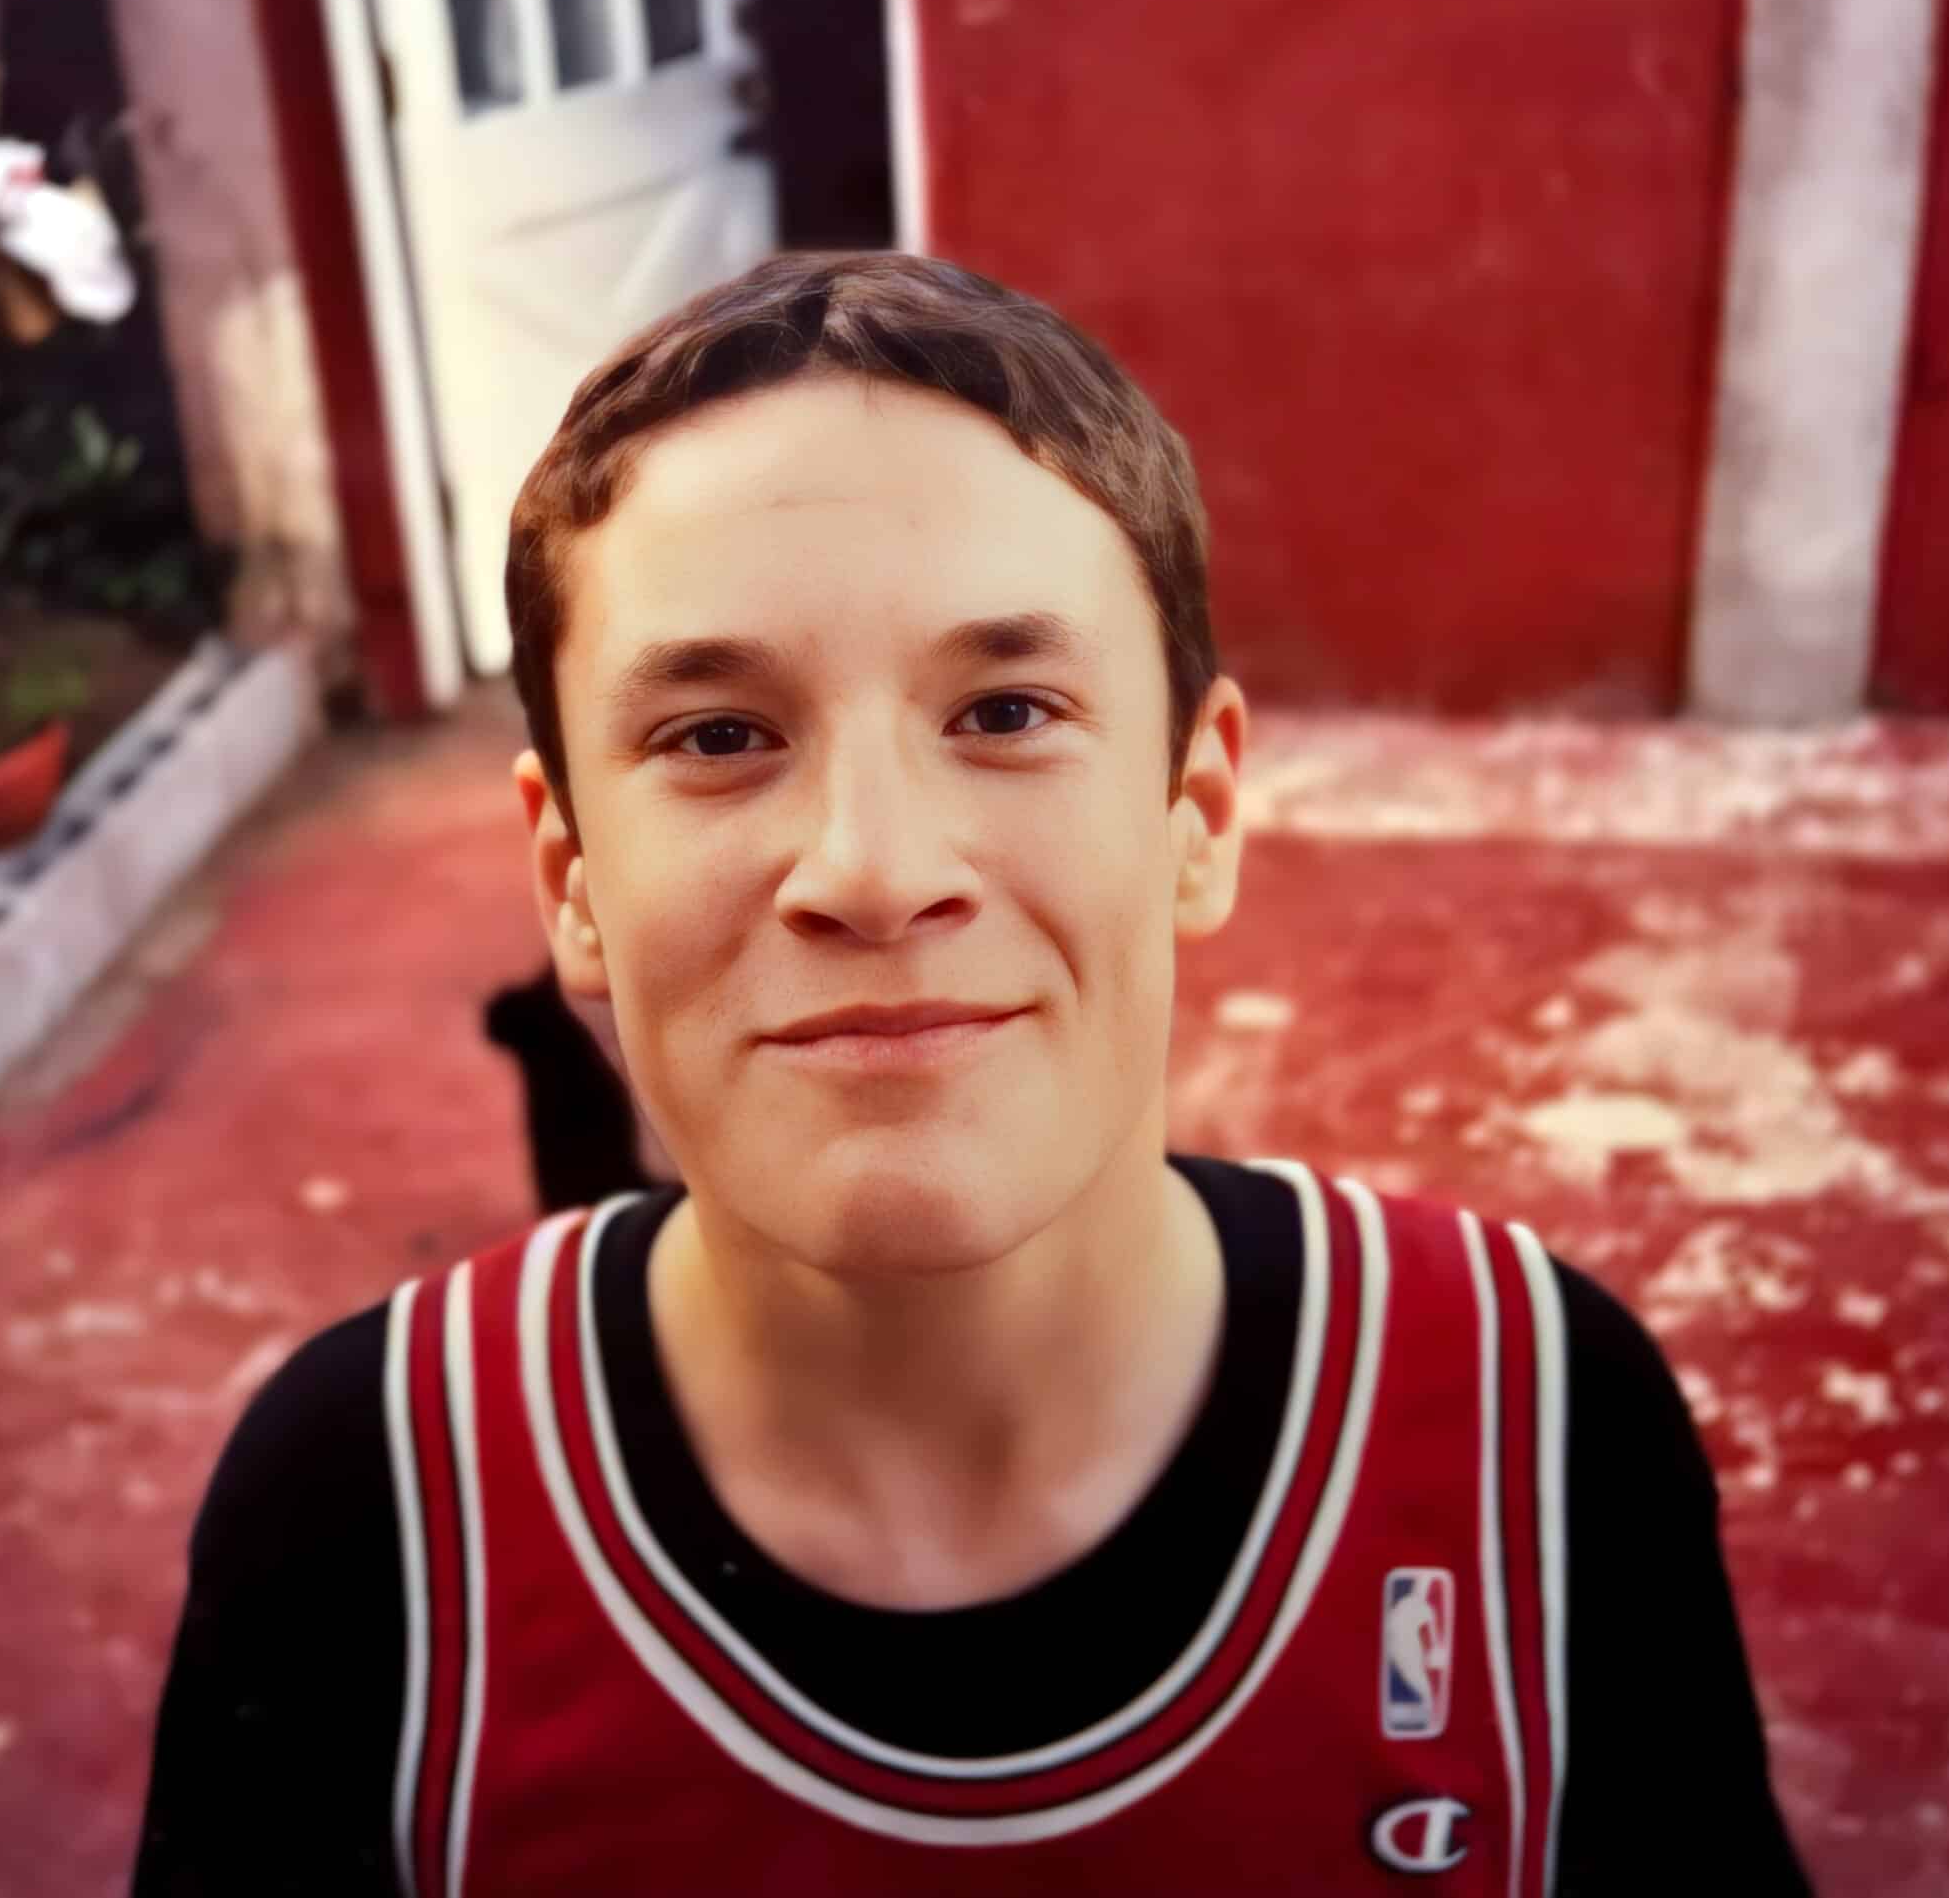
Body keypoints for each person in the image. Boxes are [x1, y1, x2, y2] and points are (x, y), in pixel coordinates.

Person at [132, 253, 1812, 1895]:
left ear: (1197, 813)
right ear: (571, 876)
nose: (873, 869)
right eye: (719, 736)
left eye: (1006, 711)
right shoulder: (367, 1511)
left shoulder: (1530, 1421)